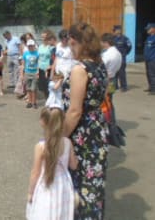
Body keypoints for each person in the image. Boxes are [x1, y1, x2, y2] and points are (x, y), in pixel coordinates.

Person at [62, 22, 109, 219]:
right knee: (94, 187)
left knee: (80, 187)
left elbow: (74, 111)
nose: (70, 48)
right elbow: (103, 96)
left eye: (71, 44)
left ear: (78, 42)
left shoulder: (80, 70)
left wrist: (58, 136)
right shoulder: (100, 65)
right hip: (98, 128)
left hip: (83, 135)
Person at [26, 107, 78, 220]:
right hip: (63, 185)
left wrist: (30, 192)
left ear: (42, 122)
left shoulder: (40, 147)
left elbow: (35, 172)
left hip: (46, 184)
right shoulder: (68, 142)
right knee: (61, 213)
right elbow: (74, 165)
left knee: (45, 212)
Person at [101, 33, 122, 98]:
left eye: (101, 42)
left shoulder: (107, 54)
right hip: (113, 78)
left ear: (106, 43)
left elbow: (101, 67)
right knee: (110, 99)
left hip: (106, 80)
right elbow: (118, 67)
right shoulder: (118, 53)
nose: (100, 44)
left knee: (104, 102)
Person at [113, 25, 132, 92]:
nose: (117, 31)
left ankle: (124, 87)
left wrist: (125, 53)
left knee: (122, 73)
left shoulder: (125, 39)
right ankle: (115, 86)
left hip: (121, 58)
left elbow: (129, 47)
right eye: (116, 30)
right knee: (114, 73)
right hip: (114, 59)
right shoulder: (112, 38)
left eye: (119, 30)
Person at [38, 30, 56, 99]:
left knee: (49, 85)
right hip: (41, 69)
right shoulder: (40, 46)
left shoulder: (51, 47)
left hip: (48, 69)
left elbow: (53, 59)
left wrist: (49, 69)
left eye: (44, 37)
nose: (43, 38)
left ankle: (50, 101)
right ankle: (47, 101)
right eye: (42, 37)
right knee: (43, 86)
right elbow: (39, 58)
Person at [22, 39, 39, 108]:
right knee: (28, 88)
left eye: (31, 46)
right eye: (29, 46)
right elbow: (23, 63)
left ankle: (34, 102)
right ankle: (29, 102)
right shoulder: (25, 53)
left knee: (33, 89)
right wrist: (22, 74)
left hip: (34, 73)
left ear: (34, 46)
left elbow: (38, 63)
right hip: (27, 72)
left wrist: (38, 72)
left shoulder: (37, 53)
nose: (30, 47)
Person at [144, 22, 155, 95]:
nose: (147, 30)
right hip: (147, 59)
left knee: (152, 74)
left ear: (153, 29)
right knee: (148, 73)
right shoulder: (148, 37)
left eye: (149, 28)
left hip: (153, 59)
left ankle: (153, 89)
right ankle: (150, 86)